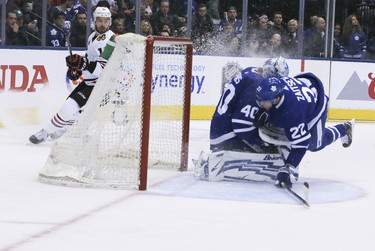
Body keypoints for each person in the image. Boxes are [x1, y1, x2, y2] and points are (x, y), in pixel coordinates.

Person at [193, 57, 290, 182]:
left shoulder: (253, 72)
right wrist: (260, 145)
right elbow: (241, 125)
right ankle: (214, 163)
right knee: (269, 156)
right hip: (225, 134)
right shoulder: (257, 85)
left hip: (221, 127)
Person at [29, 6, 115, 144]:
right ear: (94, 21)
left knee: (68, 108)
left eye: (106, 21)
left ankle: (45, 132)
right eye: (100, 20)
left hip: (101, 86)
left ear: (110, 22)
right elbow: (89, 59)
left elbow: (102, 69)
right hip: (90, 83)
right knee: (74, 111)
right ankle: (65, 130)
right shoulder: (93, 36)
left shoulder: (110, 41)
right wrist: (77, 68)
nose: (103, 24)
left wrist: (83, 64)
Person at [255, 74, 355, 188]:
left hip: (317, 104)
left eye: (264, 101)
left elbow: (301, 145)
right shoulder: (275, 87)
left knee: (313, 144)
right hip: (305, 88)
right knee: (285, 126)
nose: (260, 104)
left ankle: (344, 129)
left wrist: (288, 168)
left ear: (277, 99)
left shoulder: (292, 114)